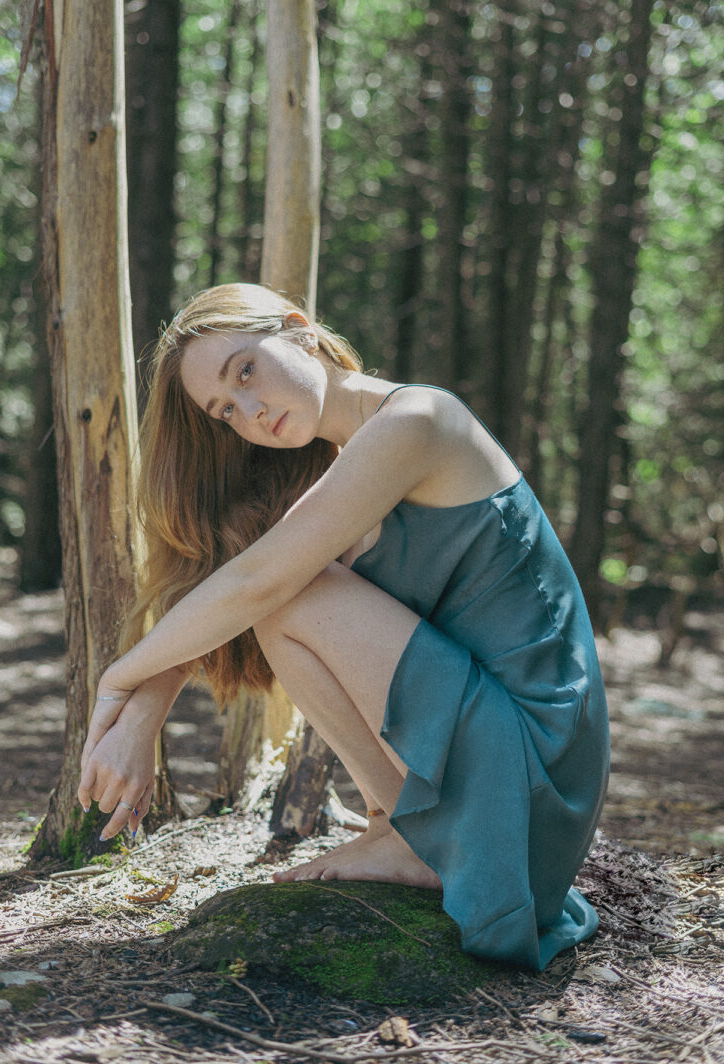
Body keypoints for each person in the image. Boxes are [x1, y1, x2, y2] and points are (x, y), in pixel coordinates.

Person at [78, 282, 610, 970]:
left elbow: (257, 585)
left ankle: (411, 835)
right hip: (499, 745)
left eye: (245, 370)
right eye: (224, 411)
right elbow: (228, 591)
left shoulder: (421, 420)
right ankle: (401, 828)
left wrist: (119, 680)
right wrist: (142, 715)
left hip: (537, 764)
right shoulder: (324, 473)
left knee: (289, 597)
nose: (249, 409)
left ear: (298, 330)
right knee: (283, 600)